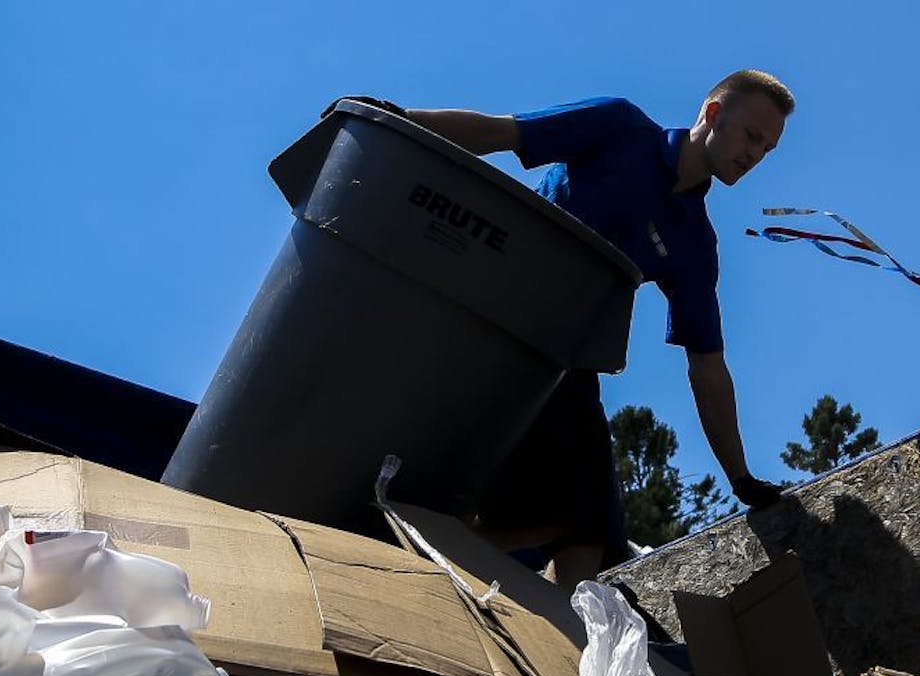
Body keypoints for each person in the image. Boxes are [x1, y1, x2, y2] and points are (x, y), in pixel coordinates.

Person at [337, 70, 791, 588]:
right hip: (492, 319)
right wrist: (394, 120)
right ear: (713, 114)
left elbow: (706, 365)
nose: (755, 155)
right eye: (751, 136)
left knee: (592, 527)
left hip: (562, 362)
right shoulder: (620, 128)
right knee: (565, 502)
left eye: (768, 149)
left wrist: (739, 477)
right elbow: (501, 133)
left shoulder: (693, 241)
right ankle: (393, 571)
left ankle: (553, 647)